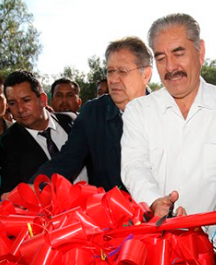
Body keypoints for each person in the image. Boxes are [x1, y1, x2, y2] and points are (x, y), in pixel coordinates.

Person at [121, 13, 216, 252]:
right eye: (161, 58)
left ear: (200, 51)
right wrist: (154, 201)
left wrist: (214, 246)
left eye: (179, 53)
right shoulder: (138, 111)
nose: (171, 68)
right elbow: (134, 166)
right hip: (153, 249)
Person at [33, 37, 152, 191]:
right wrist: (33, 187)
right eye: (110, 71)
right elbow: (66, 160)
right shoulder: (93, 112)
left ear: (146, 75)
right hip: (105, 211)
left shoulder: (166, 111)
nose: (114, 79)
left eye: (122, 71)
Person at [0, 70, 76, 195]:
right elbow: (10, 193)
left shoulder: (71, 120)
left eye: (26, 100)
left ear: (43, 99)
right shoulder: (6, 143)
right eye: (12, 103)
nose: (20, 109)